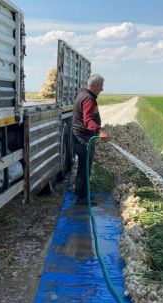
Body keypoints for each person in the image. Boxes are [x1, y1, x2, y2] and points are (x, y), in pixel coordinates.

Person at [72, 74, 110, 205]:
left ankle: (81, 194)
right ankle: (82, 199)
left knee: (83, 167)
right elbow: (88, 120)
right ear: (96, 86)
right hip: (83, 139)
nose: (102, 90)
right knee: (85, 168)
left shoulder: (82, 94)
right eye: (101, 87)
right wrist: (100, 131)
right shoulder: (88, 99)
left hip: (80, 136)